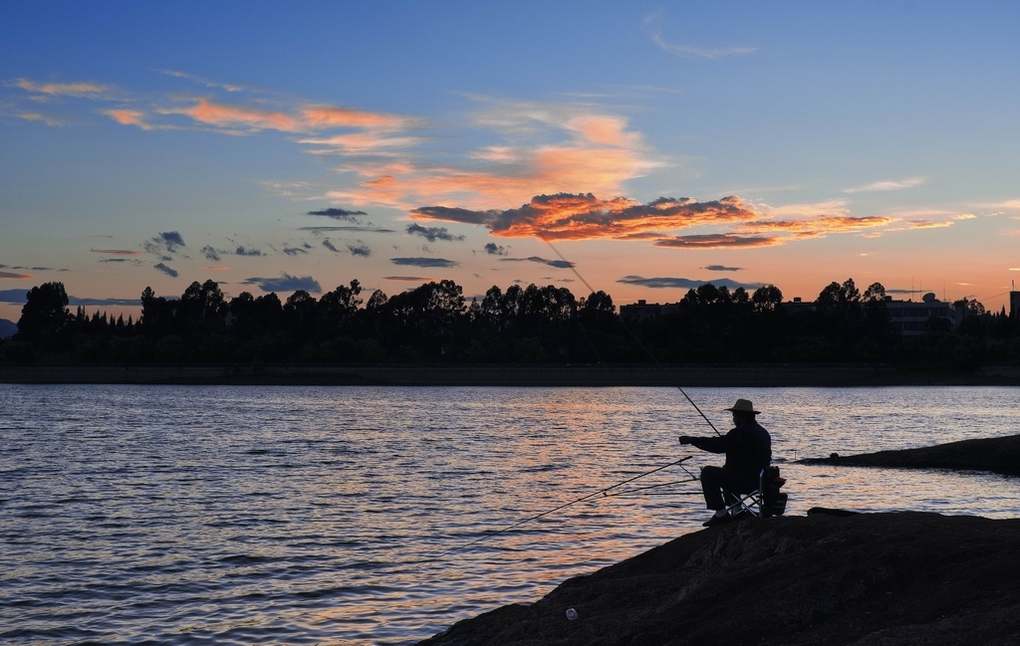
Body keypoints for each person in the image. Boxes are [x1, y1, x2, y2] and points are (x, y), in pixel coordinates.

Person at [679, 398, 772, 526]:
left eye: (734, 416)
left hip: (746, 480)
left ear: (741, 416)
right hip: (760, 480)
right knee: (727, 470)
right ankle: (737, 509)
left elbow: (718, 445)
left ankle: (721, 514)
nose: (733, 419)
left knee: (708, 473)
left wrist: (692, 440)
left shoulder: (742, 432)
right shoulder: (762, 432)